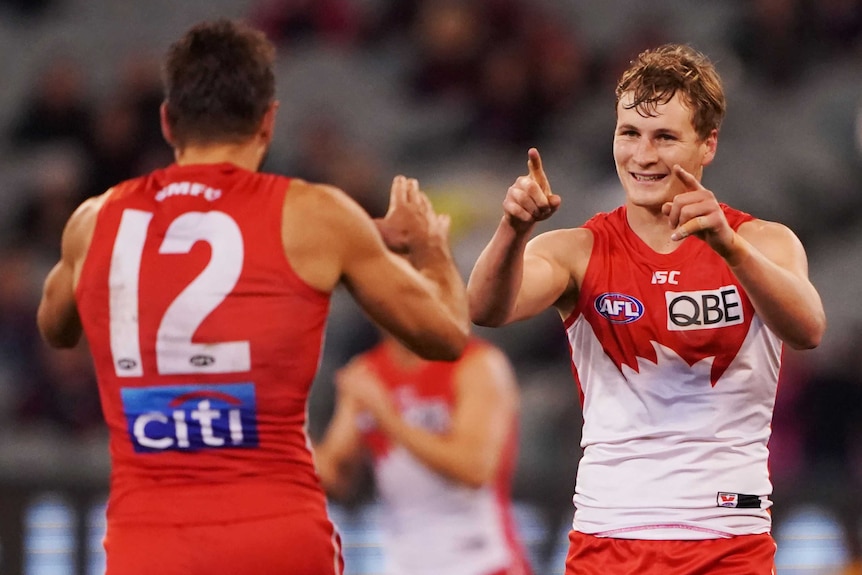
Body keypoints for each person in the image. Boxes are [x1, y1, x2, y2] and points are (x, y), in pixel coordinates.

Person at [35, 18, 469, 575]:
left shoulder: (96, 222)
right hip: (279, 538)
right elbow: (448, 335)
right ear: (268, 121)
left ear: (168, 122)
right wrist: (429, 248)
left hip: (148, 545)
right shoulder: (315, 216)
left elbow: (55, 327)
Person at [467, 43, 826, 574]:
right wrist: (513, 230)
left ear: (708, 145)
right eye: (629, 133)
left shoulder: (763, 243)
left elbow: (808, 330)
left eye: (665, 138)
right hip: (608, 536)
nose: (641, 155)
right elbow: (486, 309)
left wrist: (731, 250)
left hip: (729, 538)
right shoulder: (578, 249)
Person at [314, 330, 534, 575]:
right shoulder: (366, 371)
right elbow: (336, 476)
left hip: (482, 562)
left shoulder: (478, 363)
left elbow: (475, 469)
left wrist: (388, 416)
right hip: (405, 564)